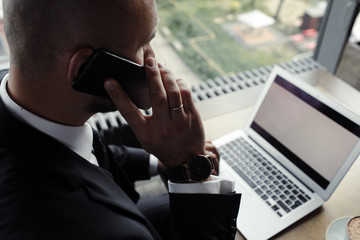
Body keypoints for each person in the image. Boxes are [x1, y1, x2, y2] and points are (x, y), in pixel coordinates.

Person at [0, 0, 241, 239]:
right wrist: (192, 174)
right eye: (144, 44)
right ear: (85, 68)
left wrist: (159, 162)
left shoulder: (31, 103)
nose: (154, 61)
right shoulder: (94, 230)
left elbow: (84, 153)